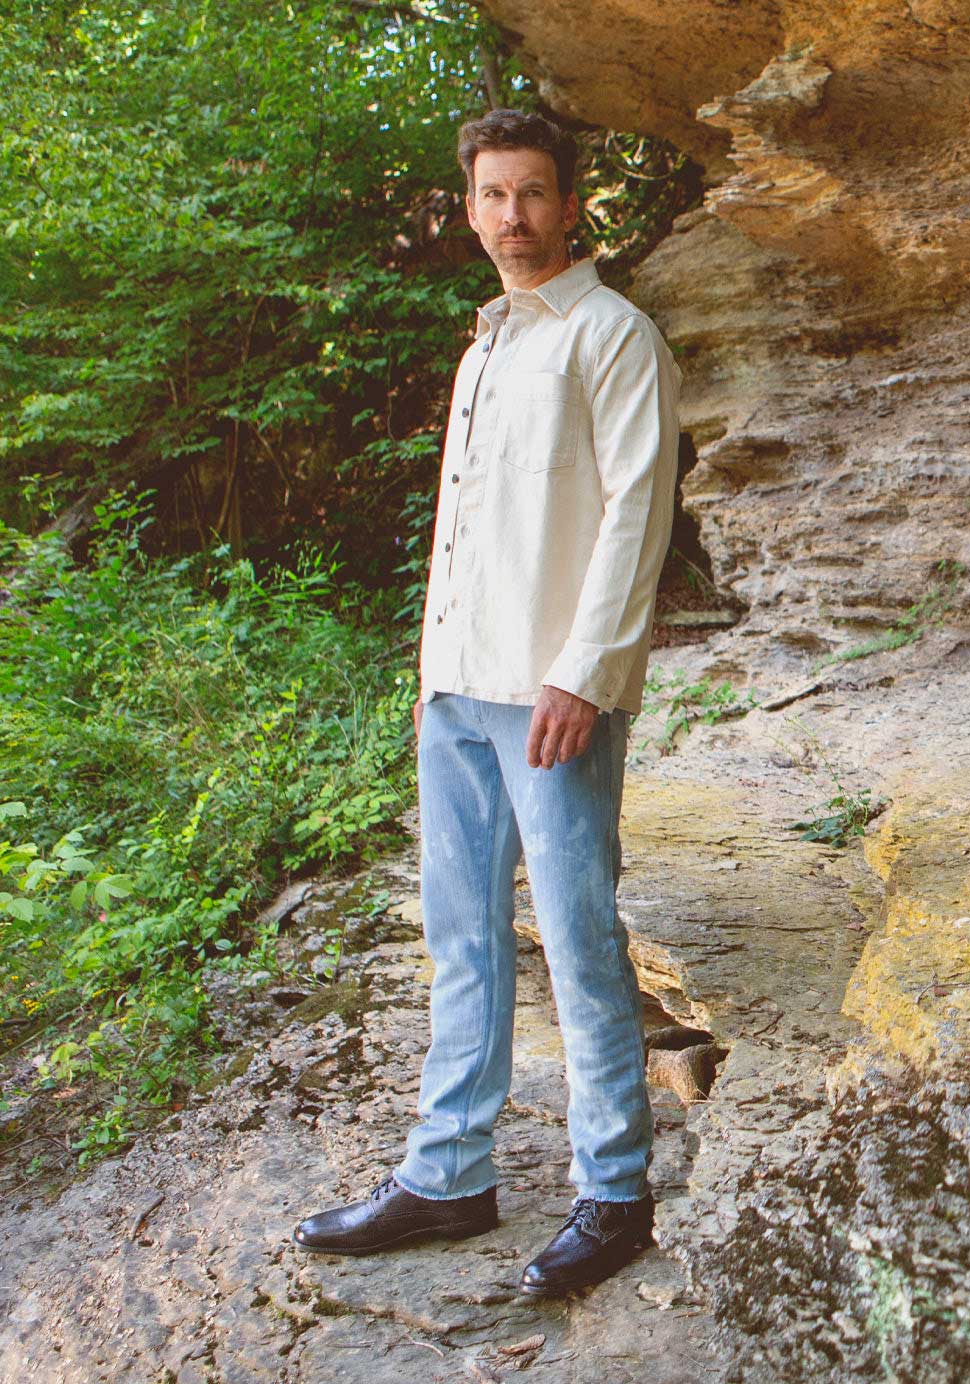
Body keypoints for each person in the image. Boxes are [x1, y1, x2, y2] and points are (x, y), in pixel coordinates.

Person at [293, 106, 681, 1297]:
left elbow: (637, 509)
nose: (512, 216)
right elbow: (463, 532)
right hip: (462, 688)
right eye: (492, 195)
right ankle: (450, 1172)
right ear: (470, 208)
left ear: (571, 205)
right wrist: (430, 680)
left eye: (533, 193)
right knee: (459, 933)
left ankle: (615, 1193)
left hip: (552, 690)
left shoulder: (612, 337)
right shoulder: (487, 346)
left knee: (575, 937)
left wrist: (586, 671)